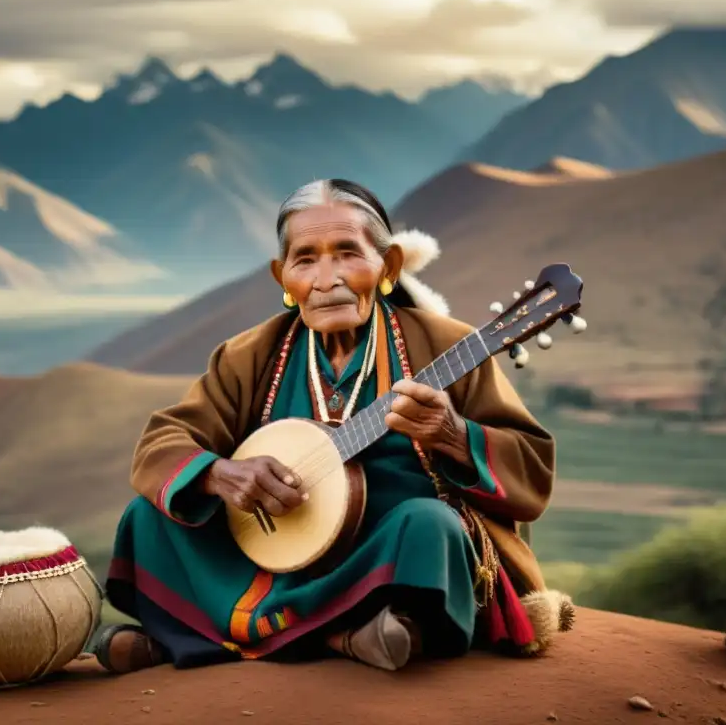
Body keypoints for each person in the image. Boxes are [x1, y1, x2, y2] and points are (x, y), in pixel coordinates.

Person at [95, 178, 573, 674]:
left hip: (378, 557)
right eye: (306, 259)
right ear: (283, 277)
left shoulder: (448, 347)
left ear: (387, 266)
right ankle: (343, 637)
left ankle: (195, 640)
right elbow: (163, 442)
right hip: (272, 552)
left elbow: (530, 464)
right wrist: (220, 475)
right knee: (148, 516)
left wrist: (454, 435)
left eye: (348, 254)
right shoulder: (249, 356)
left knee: (431, 528)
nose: (327, 279)